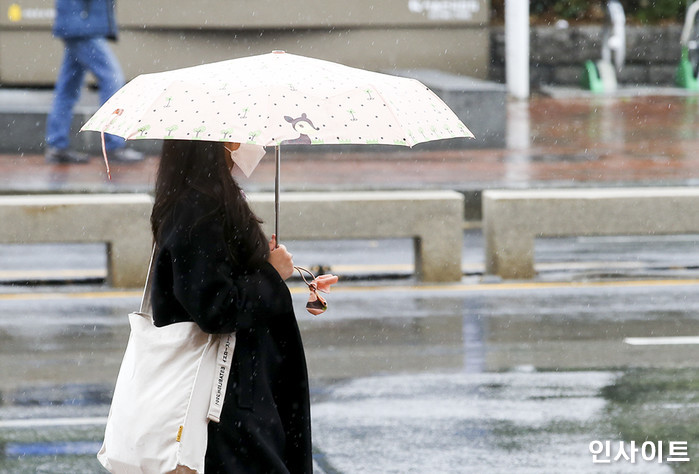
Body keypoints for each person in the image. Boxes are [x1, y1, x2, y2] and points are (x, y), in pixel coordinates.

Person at [149, 140, 312, 473]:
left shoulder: (199, 199)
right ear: (225, 139)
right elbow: (216, 306)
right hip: (228, 398)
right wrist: (271, 274)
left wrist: (262, 266)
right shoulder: (200, 207)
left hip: (234, 391)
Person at [45, 0, 144, 164]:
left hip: (78, 24)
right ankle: (113, 144)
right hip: (83, 25)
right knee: (112, 79)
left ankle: (57, 145)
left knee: (68, 87)